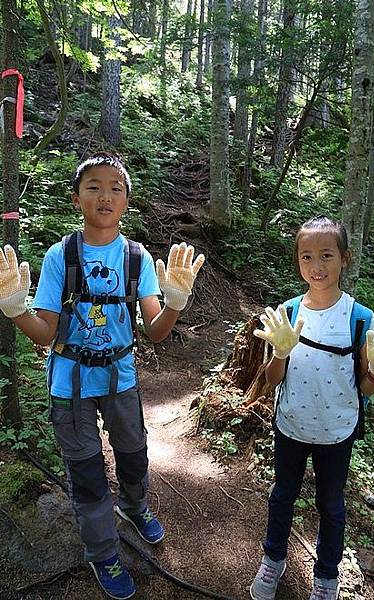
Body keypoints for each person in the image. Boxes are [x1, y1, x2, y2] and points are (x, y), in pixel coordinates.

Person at [0, 152, 205, 600]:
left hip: (121, 378)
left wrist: (173, 302)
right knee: (88, 474)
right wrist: (16, 309)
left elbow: (154, 332)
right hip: (69, 384)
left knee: (133, 453)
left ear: (127, 201)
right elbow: (45, 329)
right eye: (93, 186)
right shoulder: (61, 255)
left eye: (116, 187)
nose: (105, 194)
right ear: (77, 199)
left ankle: (134, 506)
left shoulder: (136, 257)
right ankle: (103, 554)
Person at [250, 216, 374, 600]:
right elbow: (271, 377)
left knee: (331, 505)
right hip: (291, 425)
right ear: (297, 261)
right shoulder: (286, 312)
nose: (316, 267)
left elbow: (364, 386)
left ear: (345, 258)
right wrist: (281, 351)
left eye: (327, 255)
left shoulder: (360, 319)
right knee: (282, 494)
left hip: (337, 431)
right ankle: (273, 559)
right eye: (306, 257)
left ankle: (326, 577)